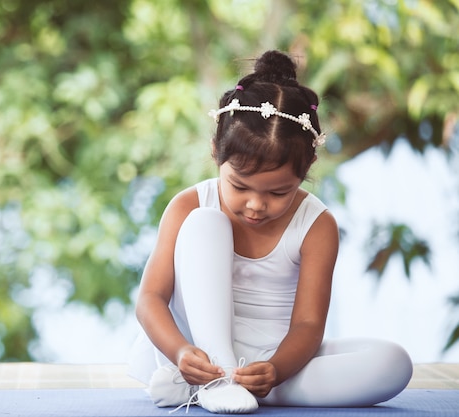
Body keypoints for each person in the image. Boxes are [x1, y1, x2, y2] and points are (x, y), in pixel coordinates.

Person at [128, 50, 413, 414]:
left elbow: (309, 324)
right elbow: (150, 299)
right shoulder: (189, 204)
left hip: (272, 358)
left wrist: (276, 370)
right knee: (204, 223)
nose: (255, 206)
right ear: (216, 153)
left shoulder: (317, 225)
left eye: (279, 192)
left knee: (393, 363)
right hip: (200, 346)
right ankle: (216, 377)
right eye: (240, 186)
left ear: (308, 166)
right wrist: (182, 352)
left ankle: (242, 386)